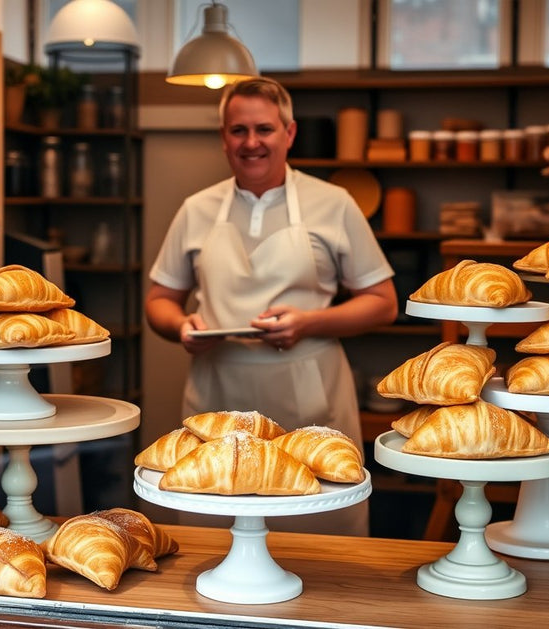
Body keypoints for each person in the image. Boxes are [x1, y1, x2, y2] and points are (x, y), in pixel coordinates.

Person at [145, 77, 398, 536]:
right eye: (238, 130)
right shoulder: (196, 209)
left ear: (289, 133)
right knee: (214, 530)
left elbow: (382, 304)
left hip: (309, 394)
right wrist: (181, 326)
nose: (251, 142)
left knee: (318, 531)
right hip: (216, 390)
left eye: (264, 129)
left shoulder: (334, 204)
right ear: (224, 137)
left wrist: (310, 322)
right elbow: (159, 301)